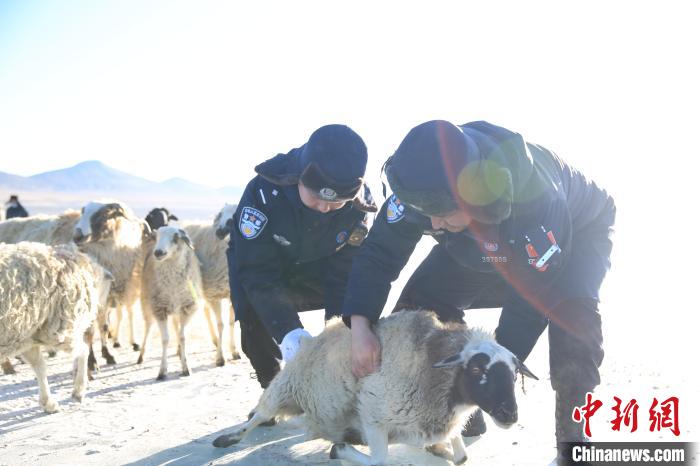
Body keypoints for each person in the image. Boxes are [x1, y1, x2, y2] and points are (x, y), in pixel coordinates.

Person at [342, 120, 615, 463]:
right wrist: (360, 325)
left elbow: (530, 300)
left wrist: (495, 373)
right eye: (427, 214)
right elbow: (379, 255)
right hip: (482, 238)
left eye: (441, 214)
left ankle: (573, 441)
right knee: (419, 305)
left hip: (575, 231)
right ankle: (459, 416)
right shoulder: (420, 186)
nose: (434, 224)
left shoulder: (538, 203)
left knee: (573, 321)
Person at [227, 124, 376, 390]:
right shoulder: (262, 195)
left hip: (320, 268)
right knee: (254, 329)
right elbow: (257, 271)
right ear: (300, 179)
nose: (324, 208)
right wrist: (290, 332)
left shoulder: (358, 209)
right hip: (262, 270)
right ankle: (274, 390)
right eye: (316, 198)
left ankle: (334, 391)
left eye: (336, 203)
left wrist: (337, 335)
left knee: (346, 335)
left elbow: (345, 275)